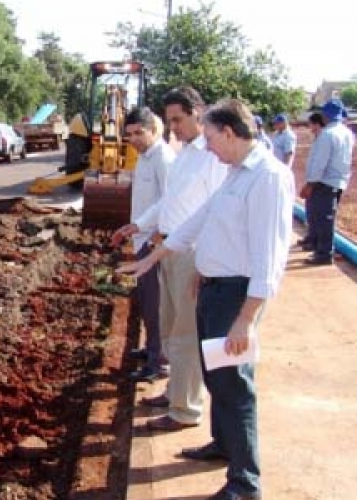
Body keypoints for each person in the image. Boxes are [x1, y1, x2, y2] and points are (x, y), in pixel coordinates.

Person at [118, 98, 295, 500]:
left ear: (230, 133)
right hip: (216, 289)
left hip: (237, 295)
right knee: (217, 376)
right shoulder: (236, 173)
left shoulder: (267, 177)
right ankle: (223, 444)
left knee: (234, 384)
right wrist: (152, 260)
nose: (208, 147)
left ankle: (245, 482)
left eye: (212, 138)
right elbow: (198, 220)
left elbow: (270, 259)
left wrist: (246, 319)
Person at [118, 86, 228, 430]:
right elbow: (169, 203)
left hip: (189, 254)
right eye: (169, 120)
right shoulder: (185, 154)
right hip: (167, 249)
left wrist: (205, 261)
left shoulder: (212, 158)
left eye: (177, 119)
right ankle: (173, 392)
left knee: (185, 336)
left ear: (198, 112)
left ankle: (185, 409)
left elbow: (215, 212)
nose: (173, 127)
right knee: (168, 329)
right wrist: (140, 224)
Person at [111, 108, 175, 383]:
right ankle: (152, 348)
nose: (134, 139)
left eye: (139, 133)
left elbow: (171, 201)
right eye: (129, 134)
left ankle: (159, 361)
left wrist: (150, 232)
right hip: (142, 238)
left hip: (155, 241)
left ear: (154, 130)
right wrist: (133, 226)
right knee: (147, 301)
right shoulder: (144, 159)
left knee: (156, 303)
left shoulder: (163, 158)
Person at [299, 99, 355, 265]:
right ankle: (319, 247)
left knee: (323, 218)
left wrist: (310, 184)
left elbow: (320, 162)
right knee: (323, 218)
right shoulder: (347, 133)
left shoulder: (328, 134)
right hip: (338, 181)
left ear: (326, 115)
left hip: (324, 182)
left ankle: (324, 254)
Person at [297, 112, 327, 250]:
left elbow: (320, 164)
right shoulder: (318, 138)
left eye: (310, 124)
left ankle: (315, 242)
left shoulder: (324, 138)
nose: (309, 127)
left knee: (317, 213)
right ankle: (311, 237)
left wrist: (310, 184)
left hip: (318, 182)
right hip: (313, 180)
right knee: (310, 211)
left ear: (316, 124)